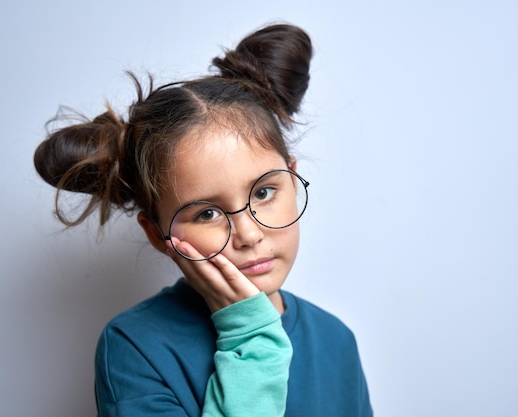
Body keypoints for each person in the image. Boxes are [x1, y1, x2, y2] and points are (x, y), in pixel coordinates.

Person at [34, 23, 372, 417]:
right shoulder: (135, 347)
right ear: (158, 233)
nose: (248, 234)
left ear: (293, 181)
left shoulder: (336, 340)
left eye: (263, 192)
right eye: (207, 213)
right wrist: (253, 339)